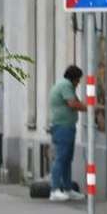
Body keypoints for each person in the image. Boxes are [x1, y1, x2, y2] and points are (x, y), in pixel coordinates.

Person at [45, 65, 83, 201]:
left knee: (67, 159)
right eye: (78, 79)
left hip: (67, 126)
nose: (79, 83)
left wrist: (89, 107)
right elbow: (73, 104)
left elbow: (77, 102)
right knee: (61, 158)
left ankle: (67, 188)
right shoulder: (65, 85)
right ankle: (55, 190)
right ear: (74, 78)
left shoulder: (67, 86)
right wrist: (90, 108)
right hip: (62, 127)